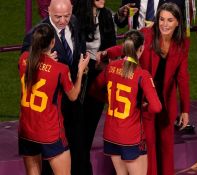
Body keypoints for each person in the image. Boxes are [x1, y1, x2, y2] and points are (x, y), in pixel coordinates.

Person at [105, 3, 190, 175]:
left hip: (166, 104)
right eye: (161, 19)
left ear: (178, 22)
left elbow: (182, 78)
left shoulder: (182, 44)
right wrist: (107, 54)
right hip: (144, 103)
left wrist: (185, 110)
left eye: (170, 20)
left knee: (166, 148)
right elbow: (126, 49)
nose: (164, 24)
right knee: (149, 146)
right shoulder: (146, 35)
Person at [21, 0, 88, 174]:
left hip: (66, 109)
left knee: (79, 151)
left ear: (71, 10)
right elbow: (29, 69)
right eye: (58, 16)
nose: (63, 20)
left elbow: (24, 62)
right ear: (47, 10)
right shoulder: (35, 35)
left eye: (66, 15)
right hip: (50, 115)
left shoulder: (74, 22)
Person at [91, 30, 162, 175]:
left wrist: (110, 101)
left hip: (111, 133)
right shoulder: (142, 74)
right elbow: (156, 107)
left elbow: (93, 89)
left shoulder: (111, 67)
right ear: (141, 48)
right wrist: (143, 106)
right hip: (131, 136)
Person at [72, 0, 117, 173]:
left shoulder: (106, 14)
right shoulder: (75, 16)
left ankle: (82, 167)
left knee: (90, 127)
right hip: (80, 75)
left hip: (99, 77)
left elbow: (112, 45)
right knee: (77, 128)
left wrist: (104, 60)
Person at [115, 0, 185, 29]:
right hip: (136, 45)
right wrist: (121, 14)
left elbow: (179, 22)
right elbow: (120, 23)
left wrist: (156, 26)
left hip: (162, 46)